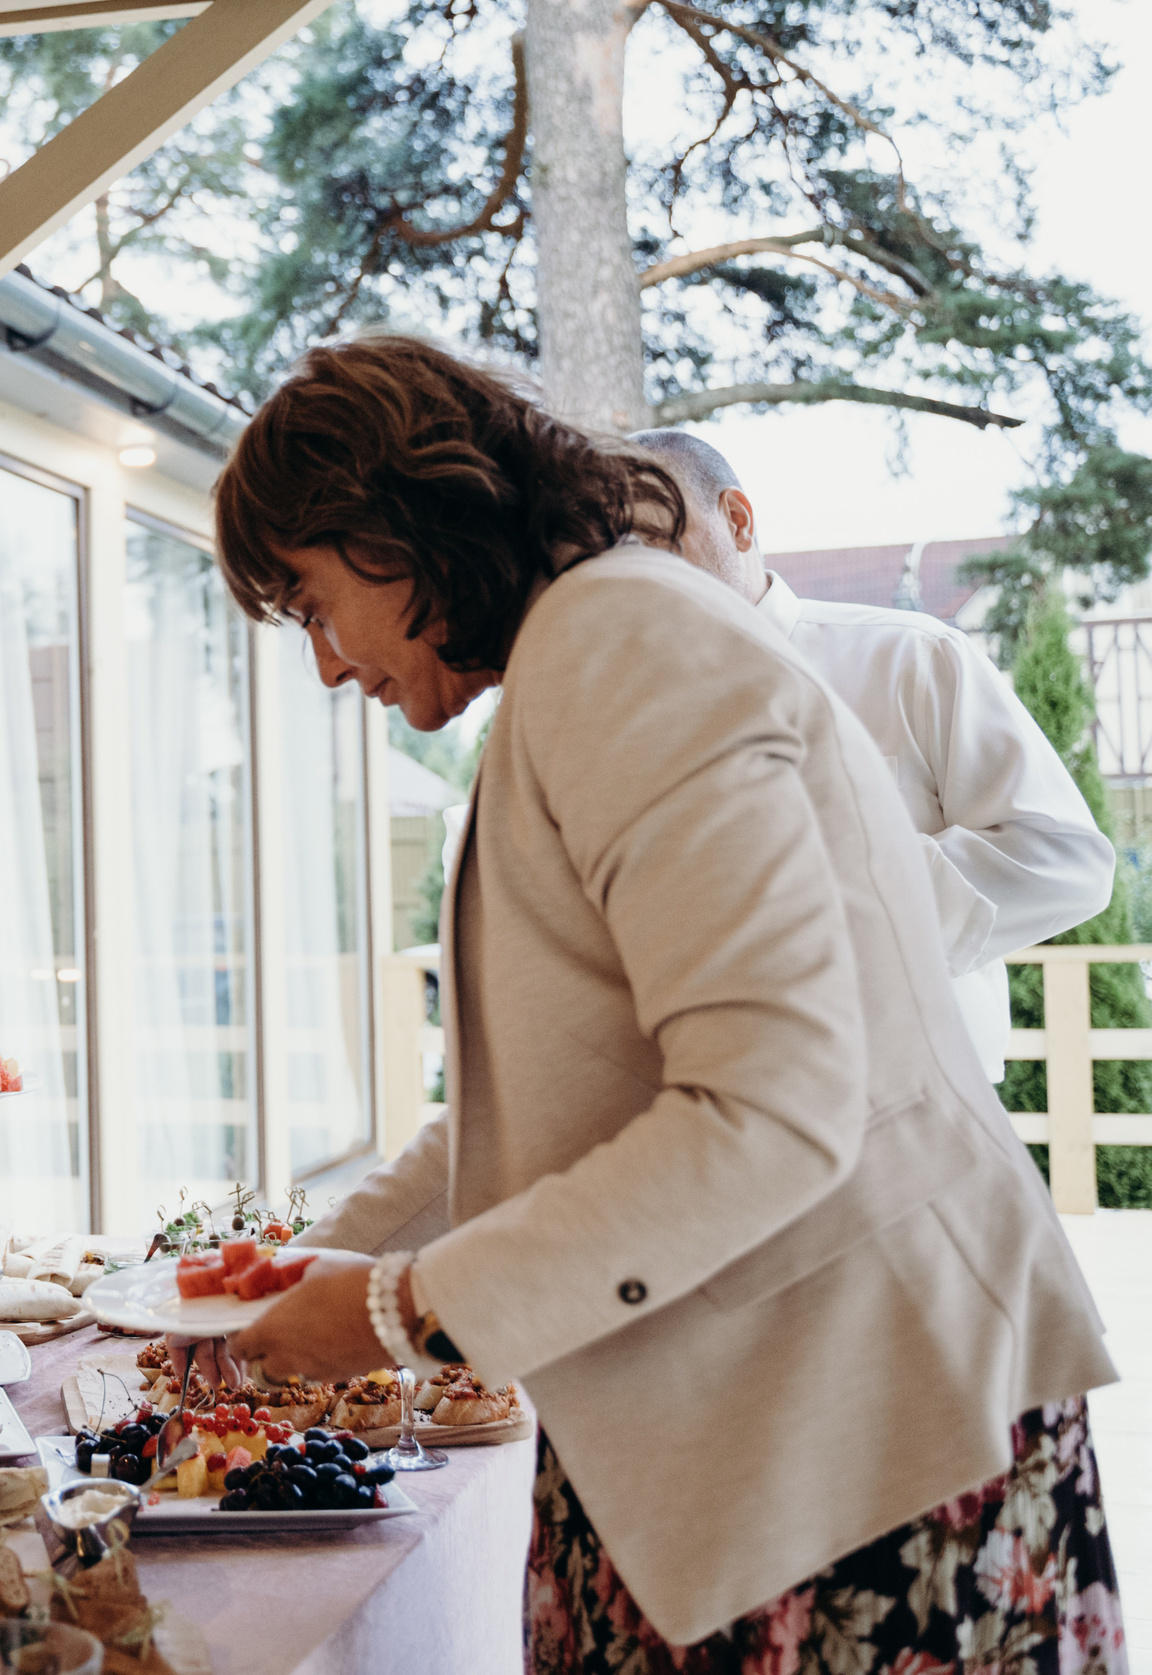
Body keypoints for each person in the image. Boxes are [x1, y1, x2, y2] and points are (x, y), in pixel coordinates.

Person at [209, 336, 1120, 1667]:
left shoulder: (619, 640)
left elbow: (768, 1106)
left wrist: (398, 1309)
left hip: (858, 1439)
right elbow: (576, 1090)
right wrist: (327, 1257)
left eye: (308, 603)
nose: (329, 665)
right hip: (802, 1416)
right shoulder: (596, 637)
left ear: (395, 522)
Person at [631, 427, 1113, 1081]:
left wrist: (830, 902)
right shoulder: (631, 721)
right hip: (717, 1112)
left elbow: (1066, 859)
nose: (639, 573)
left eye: (655, 538)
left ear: (737, 521)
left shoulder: (911, 660)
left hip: (917, 1105)